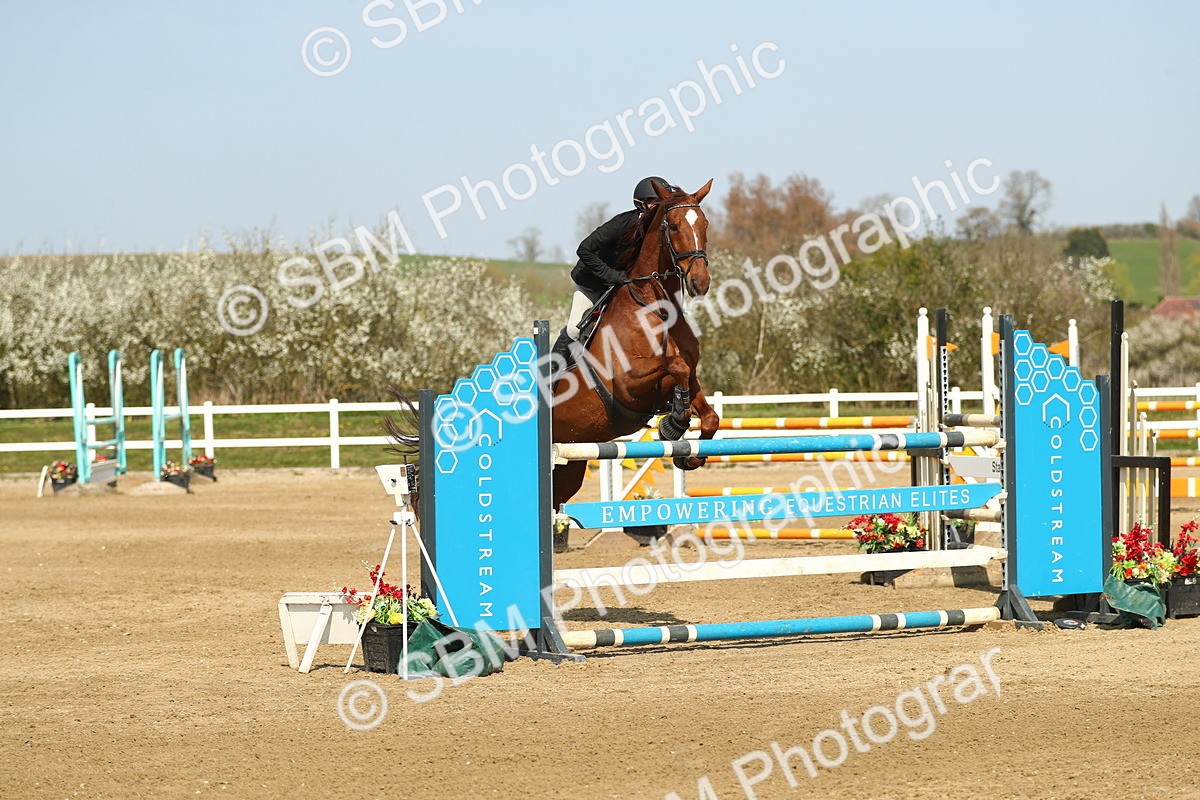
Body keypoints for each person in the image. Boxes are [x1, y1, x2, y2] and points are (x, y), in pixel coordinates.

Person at [549, 176, 679, 378]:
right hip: (593, 282)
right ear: (641, 204)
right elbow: (584, 249)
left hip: (624, 285)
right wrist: (613, 276)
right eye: (657, 202)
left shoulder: (658, 232)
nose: (662, 208)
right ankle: (547, 381)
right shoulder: (622, 223)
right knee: (575, 329)